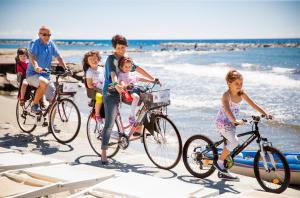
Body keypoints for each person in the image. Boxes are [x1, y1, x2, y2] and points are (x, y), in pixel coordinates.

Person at [101, 34, 156, 164]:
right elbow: (113, 74)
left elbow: (137, 69)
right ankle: (103, 152)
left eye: (124, 48)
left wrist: (153, 78)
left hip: (124, 90)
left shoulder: (126, 59)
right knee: (109, 124)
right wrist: (115, 85)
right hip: (111, 92)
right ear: (115, 47)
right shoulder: (111, 59)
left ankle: (137, 127)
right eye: (119, 48)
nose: (121, 50)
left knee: (145, 100)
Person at [214, 69, 271, 180]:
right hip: (223, 123)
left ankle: (224, 169)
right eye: (237, 83)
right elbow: (227, 110)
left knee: (232, 142)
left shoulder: (242, 93)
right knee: (234, 141)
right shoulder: (226, 95)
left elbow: (253, 104)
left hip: (232, 124)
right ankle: (219, 162)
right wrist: (235, 120)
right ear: (229, 83)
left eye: (241, 83)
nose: (239, 86)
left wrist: (265, 114)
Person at [26, 26, 69, 113]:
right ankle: (34, 104)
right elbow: (32, 56)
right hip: (33, 74)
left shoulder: (50, 43)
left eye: (49, 35)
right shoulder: (35, 43)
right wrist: (36, 67)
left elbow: (58, 56)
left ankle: (50, 122)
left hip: (46, 75)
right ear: (39, 34)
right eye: (44, 34)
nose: (47, 37)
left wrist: (66, 68)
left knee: (53, 98)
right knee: (44, 82)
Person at [118, 56, 155, 124]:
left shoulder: (131, 73)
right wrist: (125, 85)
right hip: (129, 90)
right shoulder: (121, 74)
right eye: (126, 67)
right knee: (136, 97)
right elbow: (121, 82)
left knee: (151, 95)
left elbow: (140, 78)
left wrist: (152, 80)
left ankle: (154, 112)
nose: (128, 68)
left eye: (129, 67)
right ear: (121, 67)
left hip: (137, 88)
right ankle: (131, 116)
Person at [83, 51, 104, 123]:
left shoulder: (102, 69)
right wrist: (99, 90)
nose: (93, 60)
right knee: (99, 97)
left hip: (103, 89)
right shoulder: (89, 71)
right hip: (95, 91)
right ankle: (97, 114)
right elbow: (89, 85)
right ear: (87, 62)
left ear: (98, 59)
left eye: (95, 58)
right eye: (90, 59)